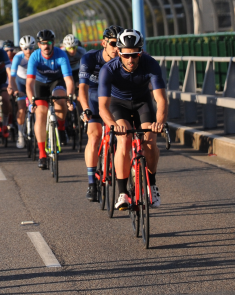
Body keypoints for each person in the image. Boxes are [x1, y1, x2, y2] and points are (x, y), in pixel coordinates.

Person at [96, 29, 167, 210]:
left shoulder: (150, 64)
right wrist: (112, 125)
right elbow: (103, 106)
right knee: (124, 140)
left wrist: (159, 123)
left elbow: (160, 99)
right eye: (126, 55)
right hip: (119, 105)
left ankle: (151, 183)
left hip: (142, 103)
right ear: (119, 52)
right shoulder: (108, 69)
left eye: (135, 55)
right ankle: (123, 192)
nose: (130, 60)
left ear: (140, 52)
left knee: (150, 141)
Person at [77, 26, 122, 201]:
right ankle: (91, 183)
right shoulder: (89, 58)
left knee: (123, 135)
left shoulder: (123, 59)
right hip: (95, 96)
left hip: (115, 97)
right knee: (94, 136)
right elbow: (83, 88)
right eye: (113, 44)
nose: (117, 49)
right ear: (104, 43)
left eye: (120, 45)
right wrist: (85, 108)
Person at [25, 29, 76, 170]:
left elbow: (69, 80)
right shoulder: (34, 57)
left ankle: (60, 128)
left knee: (61, 99)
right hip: (40, 84)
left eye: (48, 43)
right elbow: (29, 84)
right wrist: (31, 101)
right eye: (42, 43)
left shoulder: (61, 55)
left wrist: (69, 98)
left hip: (56, 82)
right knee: (40, 113)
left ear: (53, 43)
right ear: (39, 45)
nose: (46, 46)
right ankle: (42, 154)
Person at [10, 36, 37, 149]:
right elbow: (12, 77)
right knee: (21, 108)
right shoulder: (18, 57)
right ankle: (20, 135)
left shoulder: (37, 55)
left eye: (31, 48)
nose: (28, 51)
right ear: (21, 48)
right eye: (25, 48)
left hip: (34, 81)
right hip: (20, 81)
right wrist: (15, 90)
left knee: (37, 106)